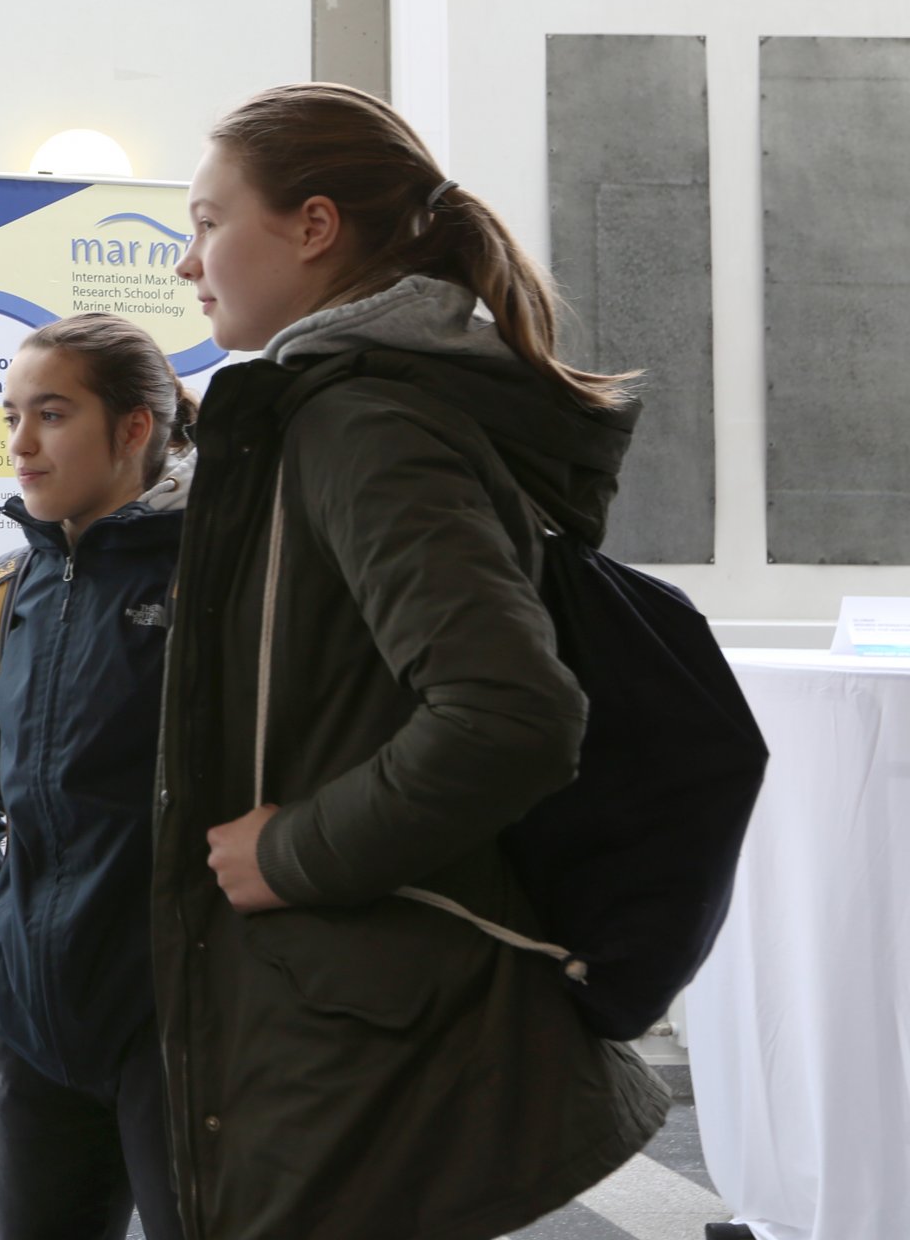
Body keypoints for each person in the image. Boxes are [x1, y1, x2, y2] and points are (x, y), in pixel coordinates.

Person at [154, 81, 671, 1239]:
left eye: (205, 222)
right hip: (350, 1004)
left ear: (314, 225)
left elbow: (511, 713)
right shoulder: (347, 408)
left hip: (357, 1027)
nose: (189, 264)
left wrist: (291, 847)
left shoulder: (363, 423)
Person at [0, 313, 196, 1240]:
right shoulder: (7, 591)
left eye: (50, 413)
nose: (20, 444)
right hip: (34, 1022)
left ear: (133, 429)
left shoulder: (218, 576)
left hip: (178, 1028)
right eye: (11, 416)